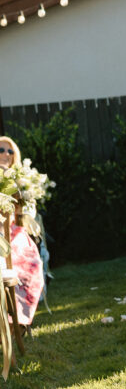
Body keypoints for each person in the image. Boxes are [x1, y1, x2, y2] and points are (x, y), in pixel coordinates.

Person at [0, 136, 44, 330]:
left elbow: (29, 213)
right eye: (1, 150)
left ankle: (17, 318)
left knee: (29, 261)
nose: (6, 154)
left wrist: (20, 211)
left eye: (10, 151)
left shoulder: (21, 180)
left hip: (14, 232)